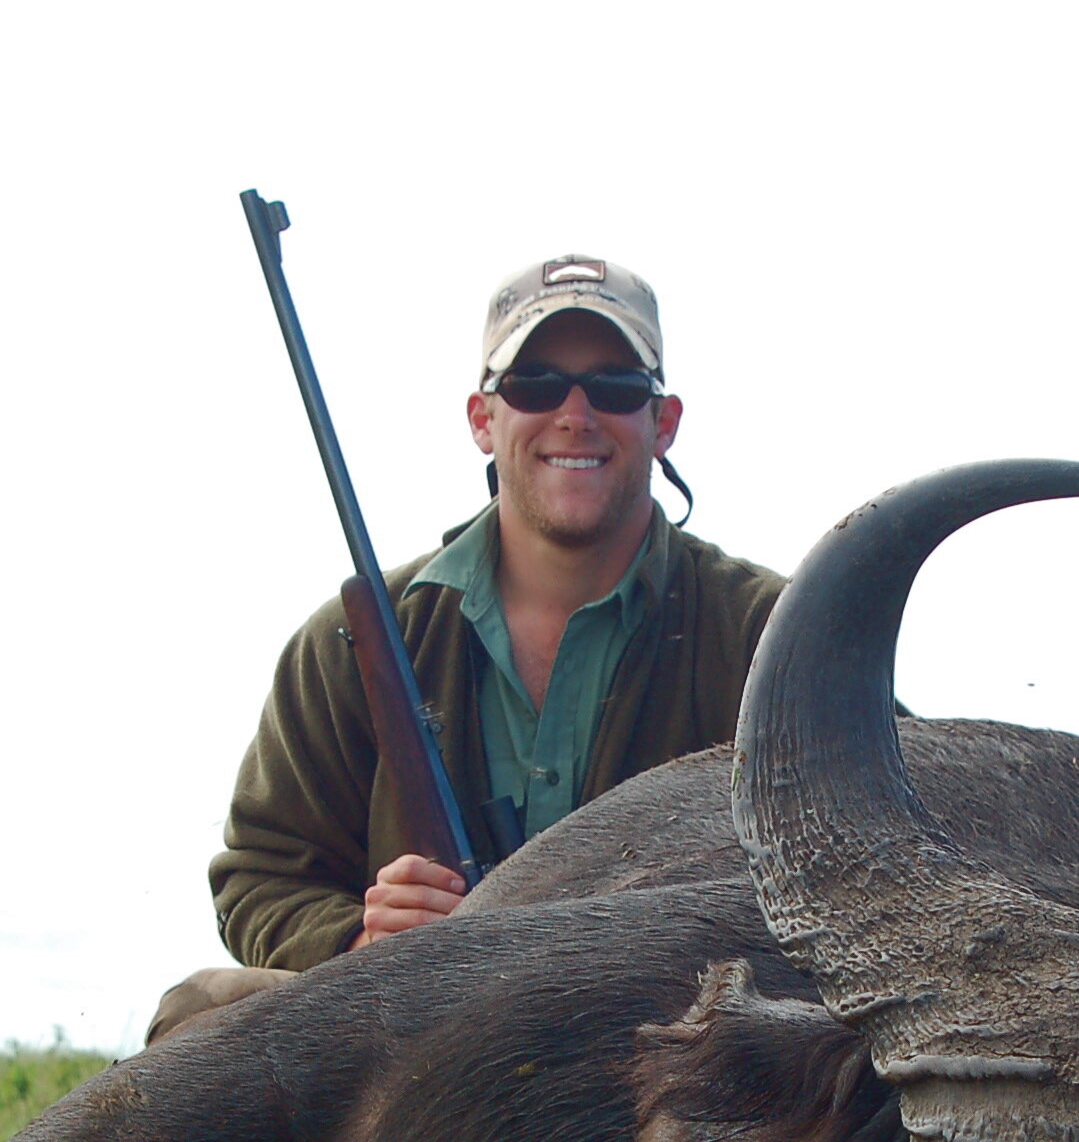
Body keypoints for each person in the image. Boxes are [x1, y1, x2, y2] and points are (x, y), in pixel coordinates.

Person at [147, 255, 784, 1043]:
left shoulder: (778, 637)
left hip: (677, 1049)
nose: (575, 414)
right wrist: (359, 944)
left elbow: (901, 849)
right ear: (484, 417)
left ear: (665, 422)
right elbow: (264, 871)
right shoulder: (347, 644)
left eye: (615, 387)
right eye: (536, 385)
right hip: (420, 1049)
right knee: (198, 1013)